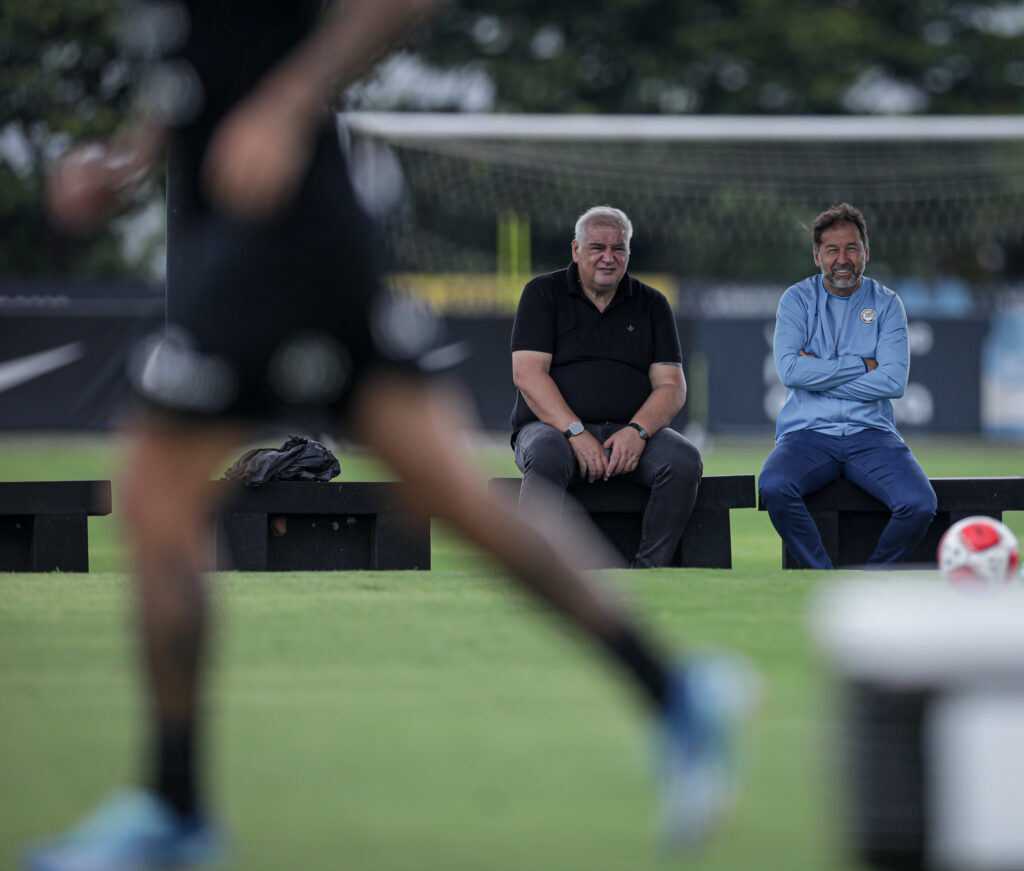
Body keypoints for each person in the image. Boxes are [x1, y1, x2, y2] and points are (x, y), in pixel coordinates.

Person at [27, 2, 756, 869]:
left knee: (154, 494)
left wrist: (287, 103)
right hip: (269, 224)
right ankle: (675, 693)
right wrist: (133, 161)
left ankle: (175, 804)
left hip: (281, 226)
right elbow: (201, 67)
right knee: (450, 491)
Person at [509, 206, 703, 568]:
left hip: (630, 434)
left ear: (628, 252)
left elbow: (671, 386)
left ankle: (649, 571)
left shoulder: (653, 304)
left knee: (683, 459)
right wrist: (575, 431)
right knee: (547, 453)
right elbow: (528, 376)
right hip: (553, 431)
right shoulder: (542, 294)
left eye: (619, 249)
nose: (608, 258)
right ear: (576, 250)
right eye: (598, 247)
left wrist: (638, 431)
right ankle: (537, 571)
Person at [759, 203, 937, 569]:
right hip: (806, 433)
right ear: (817, 256)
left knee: (919, 505)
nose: (843, 258)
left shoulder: (887, 304)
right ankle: (821, 576)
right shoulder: (796, 299)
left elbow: (892, 381)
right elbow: (790, 372)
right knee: (774, 487)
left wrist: (819, 376)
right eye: (832, 250)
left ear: (866, 253)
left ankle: (870, 578)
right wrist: (860, 366)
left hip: (871, 433)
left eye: (851, 248)